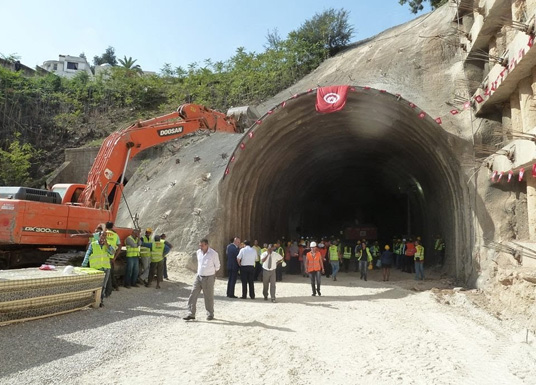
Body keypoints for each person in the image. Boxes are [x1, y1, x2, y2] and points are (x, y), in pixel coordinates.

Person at [183, 238, 221, 321]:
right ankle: (191, 313)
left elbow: (217, 266)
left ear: (207, 245)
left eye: (202, 245)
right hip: (199, 276)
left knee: (208, 296)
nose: (201, 247)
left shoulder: (213, 254)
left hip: (209, 277)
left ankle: (210, 314)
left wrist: (210, 273)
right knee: (193, 294)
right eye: (200, 245)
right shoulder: (198, 252)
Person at [82, 230, 114, 307]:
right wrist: (84, 265)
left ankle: (100, 301)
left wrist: (107, 245)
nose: (104, 237)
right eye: (102, 235)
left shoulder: (108, 246)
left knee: (103, 286)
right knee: (94, 285)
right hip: (96, 269)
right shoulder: (93, 244)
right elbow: (87, 254)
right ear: (99, 236)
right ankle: (91, 300)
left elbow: (112, 253)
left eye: (105, 236)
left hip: (106, 268)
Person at [104, 221, 121, 297]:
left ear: (106, 226)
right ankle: (109, 291)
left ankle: (106, 291)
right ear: (112, 227)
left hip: (102, 257)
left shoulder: (102, 234)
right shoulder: (115, 235)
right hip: (110, 258)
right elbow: (119, 247)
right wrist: (115, 257)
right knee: (110, 275)